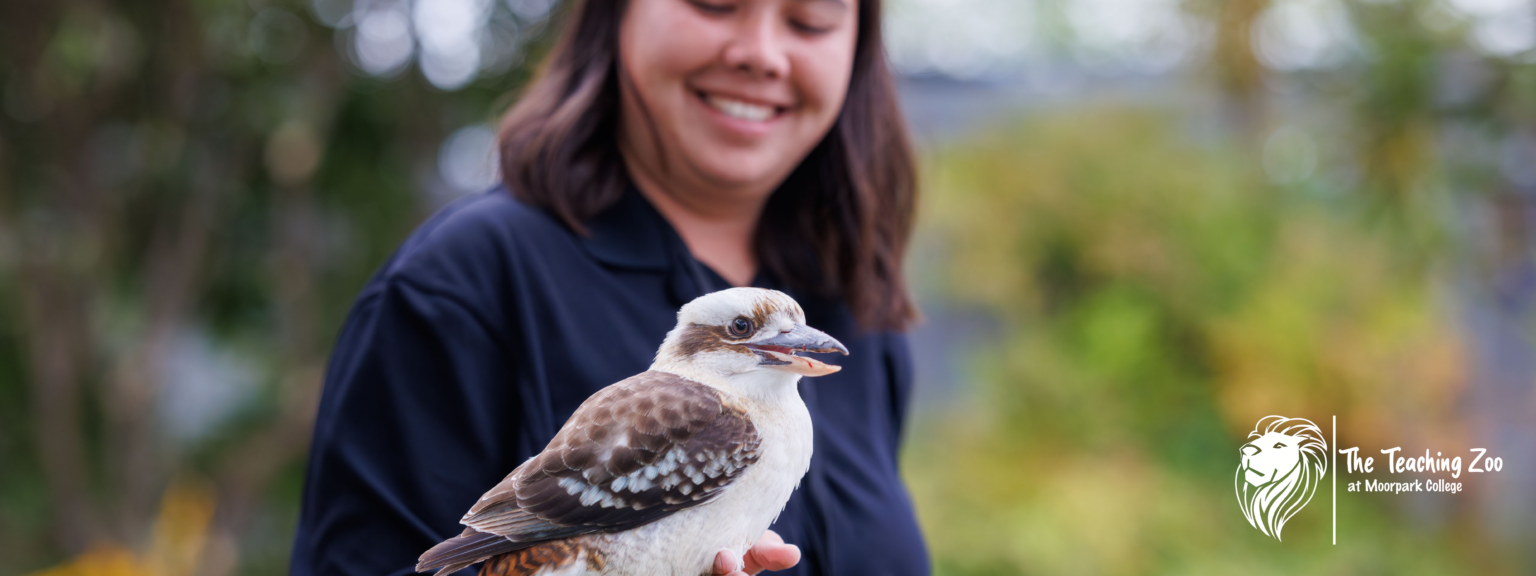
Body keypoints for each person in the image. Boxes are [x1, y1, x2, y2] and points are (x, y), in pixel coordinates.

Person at [290, 0, 927, 573]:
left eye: (811, 17)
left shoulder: (859, 306)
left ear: (860, 46)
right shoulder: (455, 284)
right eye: (715, 3)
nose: (759, 53)